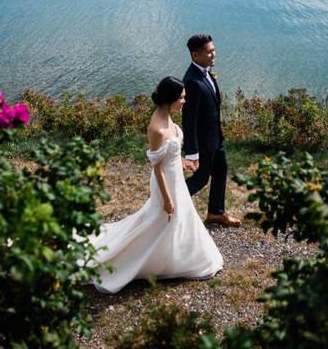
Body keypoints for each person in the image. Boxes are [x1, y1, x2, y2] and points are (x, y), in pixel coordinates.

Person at [88, 76, 223, 294]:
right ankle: (145, 260)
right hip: (165, 184)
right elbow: (157, 167)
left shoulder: (168, 117)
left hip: (176, 179)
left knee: (179, 220)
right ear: (170, 99)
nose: (184, 102)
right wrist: (167, 199)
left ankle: (179, 256)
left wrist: (183, 161)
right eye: (181, 98)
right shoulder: (156, 128)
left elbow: (170, 154)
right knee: (161, 219)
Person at [182, 34, 241, 227]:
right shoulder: (192, 81)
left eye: (213, 50)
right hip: (204, 143)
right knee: (200, 179)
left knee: (221, 171)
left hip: (216, 139)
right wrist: (192, 151)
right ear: (195, 55)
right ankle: (170, 203)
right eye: (209, 52)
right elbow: (189, 120)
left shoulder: (206, 72)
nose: (214, 54)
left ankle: (216, 213)